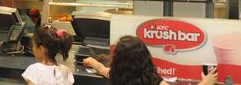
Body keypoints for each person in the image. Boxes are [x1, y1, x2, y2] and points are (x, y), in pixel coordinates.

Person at [83, 35, 218, 85]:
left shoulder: (118, 77)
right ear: (145, 57)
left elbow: (103, 70)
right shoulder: (155, 82)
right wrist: (206, 83)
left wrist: (93, 62)